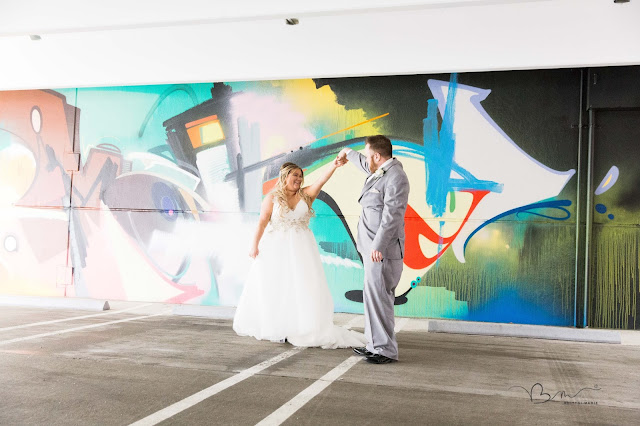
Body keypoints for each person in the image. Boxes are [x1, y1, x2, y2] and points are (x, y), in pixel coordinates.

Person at [233, 159, 367, 349]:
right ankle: (278, 326)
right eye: (294, 175)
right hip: (276, 248)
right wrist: (254, 245)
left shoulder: (306, 195)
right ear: (285, 176)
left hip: (302, 248)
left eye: (300, 176)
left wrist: (334, 165)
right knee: (277, 285)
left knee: (302, 285)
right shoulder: (271, 198)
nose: (298, 179)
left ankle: (300, 326)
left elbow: (321, 180)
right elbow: (262, 221)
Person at [337, 135, 410, 364]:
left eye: (368, 155)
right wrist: (346, 152)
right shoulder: (379, 168)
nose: (365, 160)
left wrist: (378, 245)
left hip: (383, 252)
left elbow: (392, 216)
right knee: (373, 298)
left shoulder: (396, 177)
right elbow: (360, 161)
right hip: (372, 250)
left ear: (377, 157)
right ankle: (375, 344)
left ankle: (385, 350)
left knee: (380, 298)